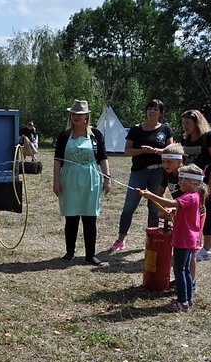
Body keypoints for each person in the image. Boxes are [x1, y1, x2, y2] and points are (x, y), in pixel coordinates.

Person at [136, 163, 207, 312]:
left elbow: (171, 202)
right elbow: (180, 210)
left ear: (192, 182)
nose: (179, 183)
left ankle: (182, 302)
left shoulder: (189, 196)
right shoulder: (195, 196)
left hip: (183, 238)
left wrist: (151, 196)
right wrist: (175, 213)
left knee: (179, 270)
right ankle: (188, 299)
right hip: (188, 238)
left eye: (182, 180)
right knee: (185, 269)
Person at [109, 99, 174, 252]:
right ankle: (121, 240)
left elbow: (171, 150)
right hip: (139, 172)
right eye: (150, 109)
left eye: (156, 109)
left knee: (154, 206)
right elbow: (127, 151)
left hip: (158, 172)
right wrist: (142, 151)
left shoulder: (165, 129)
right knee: (129, 206)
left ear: (161, 113)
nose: (152, 112)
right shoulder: (136, 129)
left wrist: (157, 151)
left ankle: (152, 238)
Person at [53, 100, 112, 265]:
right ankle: (69, 252)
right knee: (71, 216)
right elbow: (57, 160)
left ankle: (90, 254)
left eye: (80, 114)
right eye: (74, 114)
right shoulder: (64, 135)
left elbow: (102, 158)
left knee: (89, 216)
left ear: (87, 115)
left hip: (90, 178)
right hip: (70, 177)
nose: (76, 117)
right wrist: (56, 181)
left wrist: (107, 179)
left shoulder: (96, 135)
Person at [156, 142, 200, 289]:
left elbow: (187, 201)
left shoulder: (186, 176)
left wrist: (171, 209)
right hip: (180, 211)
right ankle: (182, 280)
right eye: (163, 161)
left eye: (169, 161)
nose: (165, 164)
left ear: (180, 161)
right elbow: (161, 191)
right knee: (181, 248)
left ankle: (190, 282)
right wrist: (161, 209)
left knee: (190, 250)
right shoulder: (166, 173)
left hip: (194, 214)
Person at [181, 109, 211, 261]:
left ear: (197, 123)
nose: (185, 126)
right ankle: (194, 245)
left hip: (205, 183)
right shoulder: (186, 138)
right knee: (193, 214)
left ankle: (207, 250)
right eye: (183, 123)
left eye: (188, 123)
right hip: (190, 184)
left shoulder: (209, 137)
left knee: (207, 213)